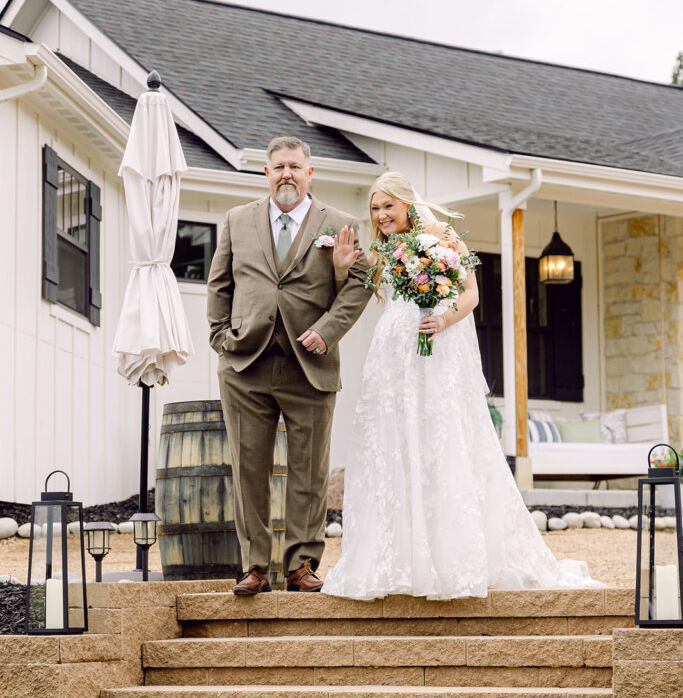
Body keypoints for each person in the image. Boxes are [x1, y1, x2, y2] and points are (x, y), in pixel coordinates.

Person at [322, 171, 602, 600]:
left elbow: (470, 293)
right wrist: (342, 270)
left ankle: (449, 558)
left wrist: (445, 318)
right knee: (394, 444)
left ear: (407, 202)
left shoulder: (441, 233)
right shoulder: (381, 247)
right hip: (392, 353)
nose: (380, 216)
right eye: (375, 209)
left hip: (435, 346)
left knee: (440, 439)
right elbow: (363, 291)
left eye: (387, 207)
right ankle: (399, 561)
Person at [207, 137, 371, 595]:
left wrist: (329, 329)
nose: (287, 174)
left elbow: (360, 282)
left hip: (311, 364)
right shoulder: (237, 220)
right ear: (266, 173)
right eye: (278, 166)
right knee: (249, 469)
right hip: (246, 364)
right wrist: (221, 338)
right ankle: (254, 566)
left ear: (310, 173)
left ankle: (301, 565)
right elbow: (219, 283)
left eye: (295, 167)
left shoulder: (340, 224)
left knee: (309, 470)